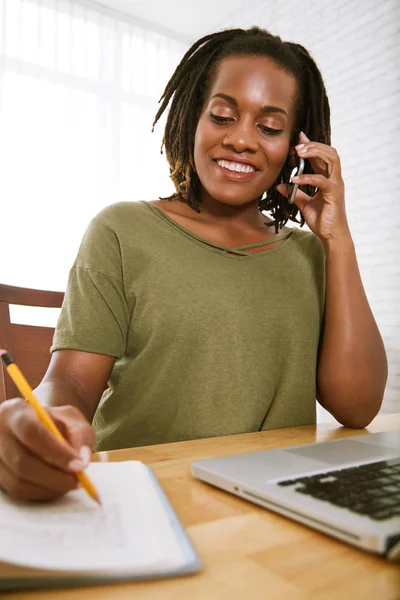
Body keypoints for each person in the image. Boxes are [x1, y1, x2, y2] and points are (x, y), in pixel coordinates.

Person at [0, 27, 387, 501]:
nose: (242, 139)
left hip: (274, 508)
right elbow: (70, 384)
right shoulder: (122, 230)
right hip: (143, 500)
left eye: (269, 127)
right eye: (223, 115)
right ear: (193, 120)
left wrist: (338, 240)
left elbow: (358, 407)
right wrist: (39, 420)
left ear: (295, 148)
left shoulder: (310, 255)